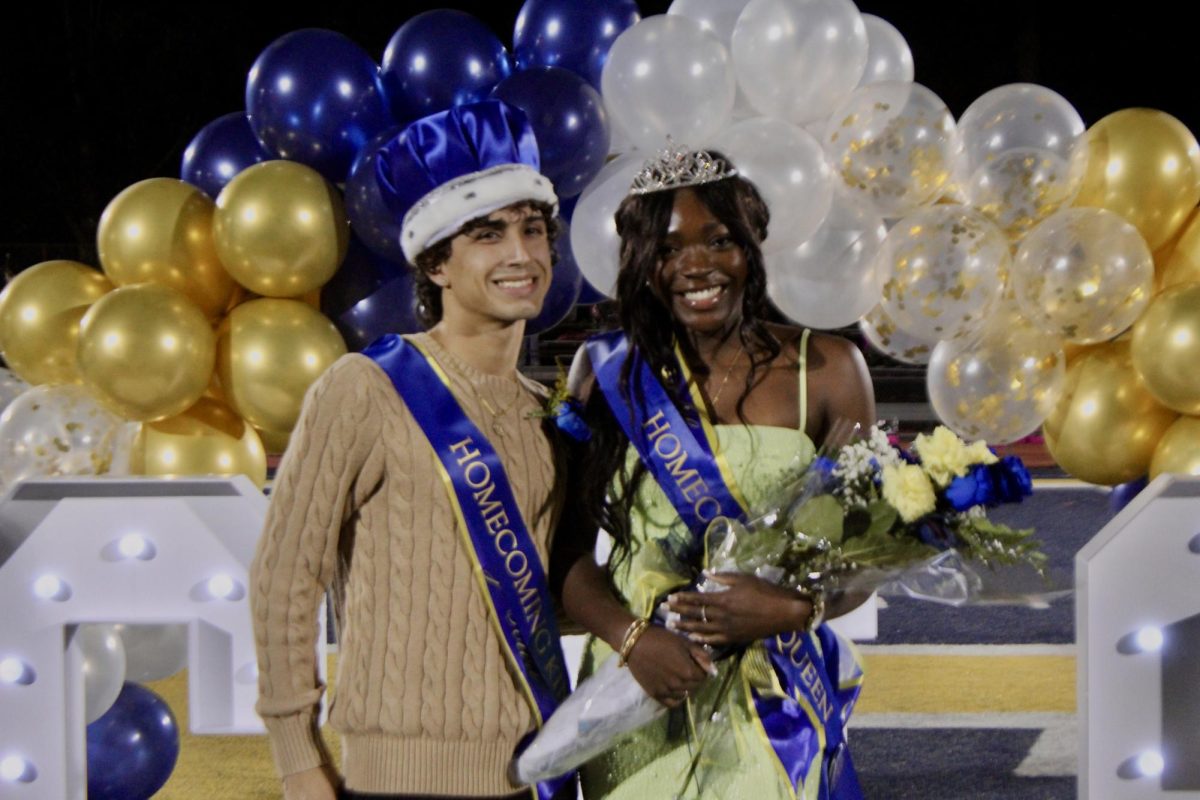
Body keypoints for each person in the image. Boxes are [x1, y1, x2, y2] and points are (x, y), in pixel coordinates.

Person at [250, 99, 574, 800]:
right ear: (436, 265)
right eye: (487, 234)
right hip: (394, 779)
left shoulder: (544, 413)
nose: (520, 254)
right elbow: (284, 578)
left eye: (532, 229)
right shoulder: (365, 389)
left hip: (532, 772)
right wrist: (296, 757)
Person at [553, 144, 877, 799]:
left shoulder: (832, 370)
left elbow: (866, 556)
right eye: (669, 250)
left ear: (754, 245)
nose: (695, 266)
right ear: (643, 266)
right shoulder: (608, 374)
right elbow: (565, 557)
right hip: (637, 688)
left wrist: (793, 607)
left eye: (719, 240)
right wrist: (632, 637)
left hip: (773, 692)